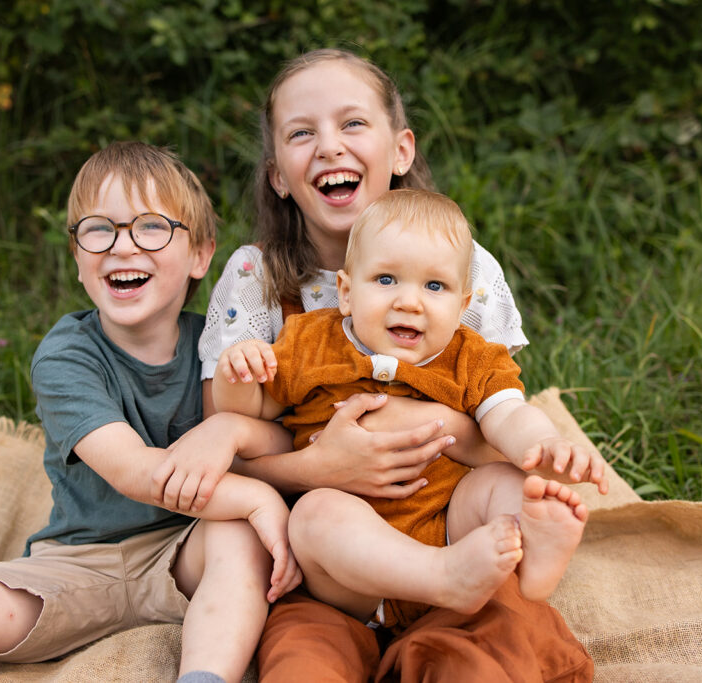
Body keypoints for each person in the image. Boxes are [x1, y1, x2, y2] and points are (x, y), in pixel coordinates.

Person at [190, 49, 596, 681]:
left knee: (498, 610)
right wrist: (319, 464)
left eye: (352, 124)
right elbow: (226, 447)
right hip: (334, 569)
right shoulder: (259, 280)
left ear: (401, 150)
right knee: (304, 650)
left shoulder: (465, 267)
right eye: (302, 133)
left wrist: (514, 445)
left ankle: (525, 567)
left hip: (452, 530)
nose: (329, 147)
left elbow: (500, 422)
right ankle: (430, 590)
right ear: (277, 175)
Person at [0, 142, 300, 683]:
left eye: (151, 228)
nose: (123, 247)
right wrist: (257, 496)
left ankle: (204, 677)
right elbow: (134, 471)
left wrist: (236, 430)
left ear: (200, 255)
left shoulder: (219, 348)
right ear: (77, 257)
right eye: (99, 230)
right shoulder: (66, 355)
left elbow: (283, 440)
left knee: (239, 538)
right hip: (80, 562)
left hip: (186, 552)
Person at [213, 189, 607, 632]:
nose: (409, 301)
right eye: (386, 280)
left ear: (462, 308)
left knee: (505, 481)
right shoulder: (310, 341)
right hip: (354, 581)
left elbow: (509, 413)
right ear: (344, 292)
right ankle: (442, 579)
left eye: (434, 286)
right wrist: (238, 374)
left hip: (450, 532)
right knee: (314, 514)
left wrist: (545, 444)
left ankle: (534, 556)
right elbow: (251, 409)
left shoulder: (469, 357)